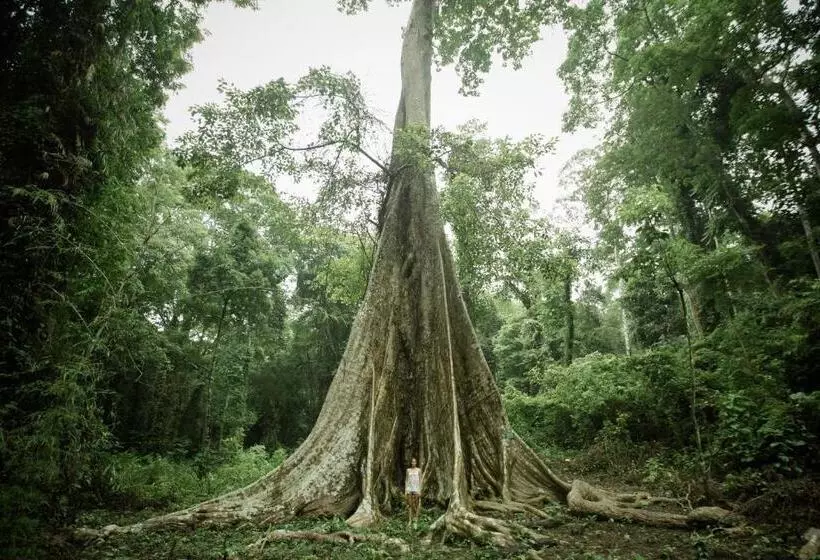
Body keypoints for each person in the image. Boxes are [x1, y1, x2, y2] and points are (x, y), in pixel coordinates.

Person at [405, 457, 421, 527]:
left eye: (414, 462)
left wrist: (420, 490)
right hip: (409, 489)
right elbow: (406, 480)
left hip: (416, 489)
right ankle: (410, 520)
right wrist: (406, 490)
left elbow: (420, 480)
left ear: (416, 463)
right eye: (412, 462)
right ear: (411, 463)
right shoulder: (408, 470)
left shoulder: (419, 470)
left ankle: (416, 520)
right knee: (410, 505)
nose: (413, 463)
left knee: (416, 505)